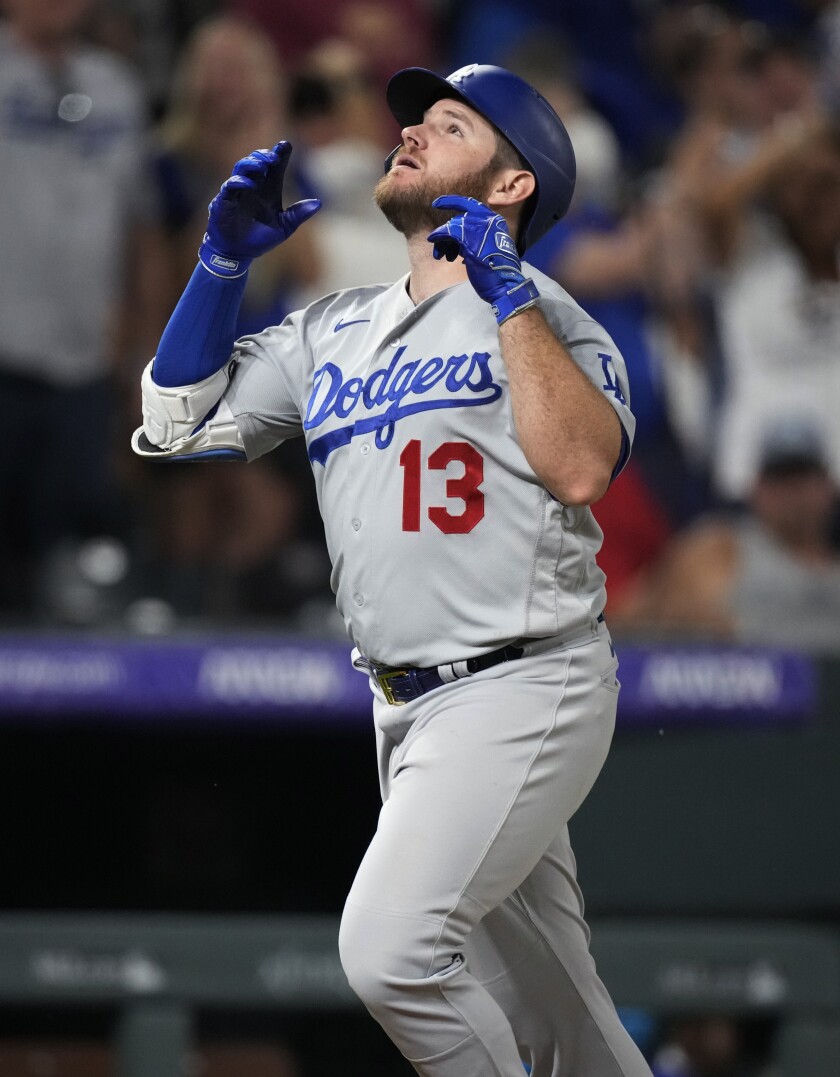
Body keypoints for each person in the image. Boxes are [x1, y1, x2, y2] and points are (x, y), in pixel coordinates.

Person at [132, 62, 651, 1077]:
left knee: (391, 953)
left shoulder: (554, 322)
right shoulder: (339, 325)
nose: (412, 131)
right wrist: (218, 270)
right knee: (565, 1025)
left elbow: (583, 466)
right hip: (405, 704)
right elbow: (169, 429)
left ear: (510, 186)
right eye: (416, 118)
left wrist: (509, 298)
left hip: (522, 680)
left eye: (450, 126)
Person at [0, 0, 167, 618]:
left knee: (66, 555)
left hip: (83, 362)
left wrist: (142, 355)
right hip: (5, 348)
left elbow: (141, 231)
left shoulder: (114, 87)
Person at [613, 418, 840, 652]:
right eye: (780, 480)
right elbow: (629, 618)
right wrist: (688, 624)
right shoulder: (721, 547)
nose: (793, 495)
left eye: (804, 479)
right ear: (756, 488)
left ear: (829, 487)